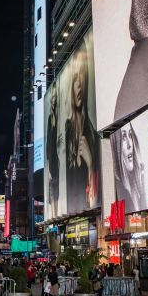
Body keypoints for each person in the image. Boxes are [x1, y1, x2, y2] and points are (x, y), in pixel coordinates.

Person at [65, 45, 100, 211]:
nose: (78, 84)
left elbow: (96, 198)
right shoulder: (67, 131)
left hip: (91, 210)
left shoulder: (94, 136)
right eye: (75, 78)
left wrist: (91, 163)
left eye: (82, 76)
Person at [111, 122, 148, 211]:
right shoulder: (117, 189)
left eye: (130, 135)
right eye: (123, 137)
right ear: (116, 147)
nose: (129, 145)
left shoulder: (138, 186)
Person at [46, 84, 60, 217]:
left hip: (58, 155)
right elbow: (48, 141)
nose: (54, 100)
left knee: (57, 187)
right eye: (52, 98)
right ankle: (54, 215)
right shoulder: (50, 117)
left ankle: (56, 214)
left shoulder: (58, 115)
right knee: (53, 187)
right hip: (52, 157)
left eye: (55, 97)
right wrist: (48, 159)